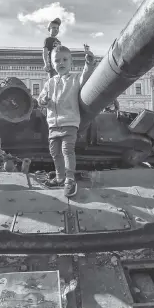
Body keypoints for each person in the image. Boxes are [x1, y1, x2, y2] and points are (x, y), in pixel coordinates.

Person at [38, 45, 96, 197]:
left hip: (69, 122)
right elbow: (41, 99)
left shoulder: (75, 79)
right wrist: (43, 100)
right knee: (55, 152)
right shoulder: (50, 83)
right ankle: (59, 177)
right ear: (52, 64)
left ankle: (70, 179)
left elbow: (86, 76)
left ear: (71, 63)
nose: (61, 63)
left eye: (65, 59)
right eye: (57, 61)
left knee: (67, 151)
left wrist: (89, 64)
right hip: (53, 124)